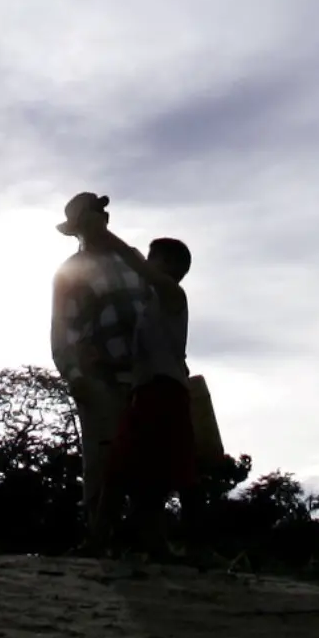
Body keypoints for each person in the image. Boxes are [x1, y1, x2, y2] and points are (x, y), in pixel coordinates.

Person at [51, 191, 155, 556]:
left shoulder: (133, 261)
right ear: (81, 224)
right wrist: (74, 374)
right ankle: (97, 538)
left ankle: (146, 539)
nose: (103, 218)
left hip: (143, 374)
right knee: (102, 458)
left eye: (103, 213)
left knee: (146, 459)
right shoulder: (69, 271)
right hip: (100, 376)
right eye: (95, 213)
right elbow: (63, 329)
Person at [104, 236, 198, 562]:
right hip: (146, 390)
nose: (147, 263)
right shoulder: (150, 305)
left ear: (170, 266)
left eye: (153, 259)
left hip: (166, 391)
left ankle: (192, 545)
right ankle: (143, 542)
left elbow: (135, 266)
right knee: (130, 468)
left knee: (166, 471)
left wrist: (107, 238)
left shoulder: (173, 295)